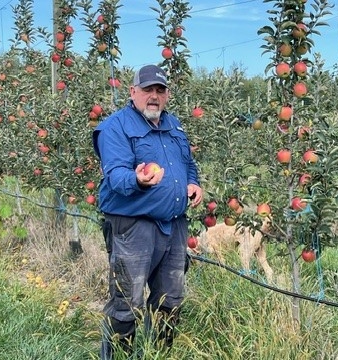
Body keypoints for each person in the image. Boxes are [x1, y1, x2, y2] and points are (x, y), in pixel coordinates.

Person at [92, 64, 203, 359]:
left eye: (160, 90)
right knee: (127, 302)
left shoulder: (174, 126)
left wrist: (193, 184)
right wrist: (138, 179)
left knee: (171, 299)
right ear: (133, 92)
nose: (153, 96)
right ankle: (118, 356)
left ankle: (157, 354)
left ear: (166, 94)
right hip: (134, 227)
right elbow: (115, 175)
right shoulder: (115, 127)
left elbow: (189, 165)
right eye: (147, 90)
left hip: (175, 226)